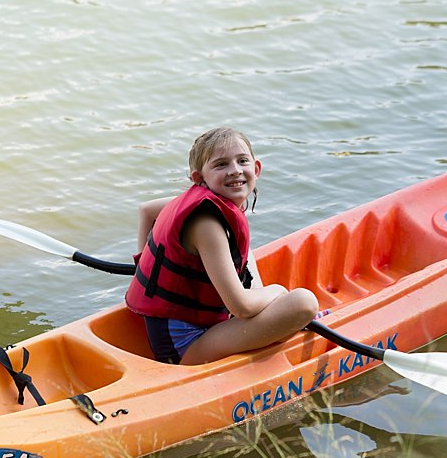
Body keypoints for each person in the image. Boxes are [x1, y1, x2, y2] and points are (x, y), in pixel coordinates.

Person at [125, 127, 320, 365]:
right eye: (221, 165)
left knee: (245, 254)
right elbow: (241, 307)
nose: (235, 170)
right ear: (199, 178)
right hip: (184, 348)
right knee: (304, 302)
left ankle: (278, 316)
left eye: (242, 161)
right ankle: (286, 318)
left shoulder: (200, 203)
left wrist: (144, 273)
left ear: (256, 169)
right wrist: (278, 291)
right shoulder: (206, 223)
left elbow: (146, 210)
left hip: (191, 327)